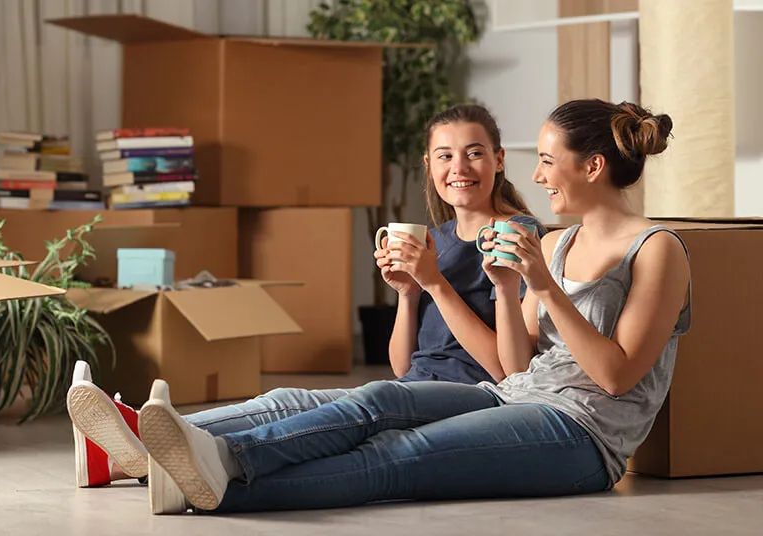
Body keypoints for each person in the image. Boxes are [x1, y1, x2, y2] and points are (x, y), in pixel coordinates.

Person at [132, 98, 691, 514]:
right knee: (377, 398)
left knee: (398, 456)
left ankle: (209, 484)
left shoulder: (657, 250)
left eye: (548, 161)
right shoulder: (557, 243)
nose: (539, 175)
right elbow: (517, 369)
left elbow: (617, 377)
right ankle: (216, 455)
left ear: (591, 167)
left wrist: (542, 288)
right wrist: (503, 286)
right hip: (509, 397)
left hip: (584, 435)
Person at [66, 104, 545, 509]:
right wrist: (408, 292)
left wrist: (435, 283)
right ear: (428, 164)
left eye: (474, 153)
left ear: (499, 160)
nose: (459, 167)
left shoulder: (518, 235)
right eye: (445, 155)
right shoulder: (434, 239)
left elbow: (509, 373)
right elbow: (405, 366)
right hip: (419, 387)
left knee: (372, 401)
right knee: (288, 400)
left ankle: (215, 454)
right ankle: (125, 442)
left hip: (478, 397)